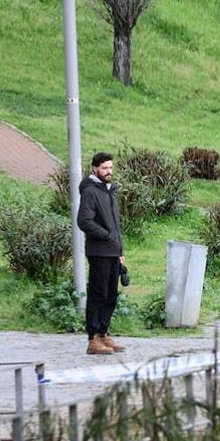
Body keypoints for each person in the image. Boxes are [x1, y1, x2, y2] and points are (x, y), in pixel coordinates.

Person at [77, 152, 127, 355]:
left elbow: (116, 225)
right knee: (98, 294)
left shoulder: (110, 192)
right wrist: (106, 236)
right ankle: (93, 338)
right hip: (98, 251)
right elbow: (84, 221)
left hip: (113, 251)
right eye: (105, 168)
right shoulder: (90, 191)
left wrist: (119, 250)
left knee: (111, 296)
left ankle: (104, 333)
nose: (109, 172)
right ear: (95, 168)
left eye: (111, 168)